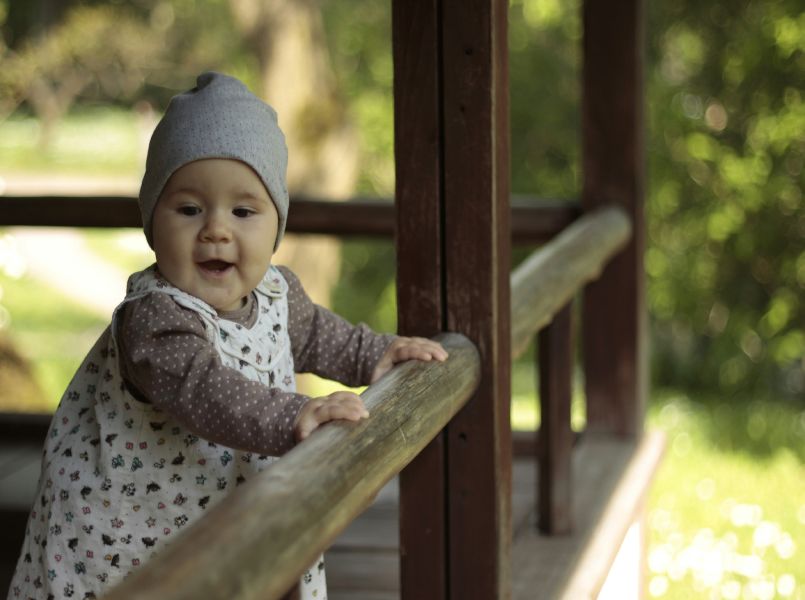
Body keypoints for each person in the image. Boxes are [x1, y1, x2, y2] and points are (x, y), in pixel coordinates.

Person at [7, 71, 447, 600]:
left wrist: (379, 355)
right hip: (127, 542)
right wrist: (293, 414)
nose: (217, 229)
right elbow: (203, 389)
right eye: (189, 209)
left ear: (276, 224)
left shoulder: (277, 295)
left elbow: (325, 338)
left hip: (224, 520)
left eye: (243, 211)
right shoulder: (155, 319)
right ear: (152, 222)